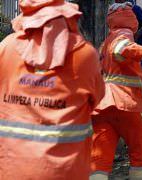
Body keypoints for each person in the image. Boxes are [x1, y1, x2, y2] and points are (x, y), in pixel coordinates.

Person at [0, 0, 105, 179]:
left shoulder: (6, 49)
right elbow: (97, 99)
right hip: (67, 171)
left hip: (12, 170)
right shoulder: (84, 55)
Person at [90, 3, 142, 180]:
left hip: (102, 107)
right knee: (139, 148)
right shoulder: (124, 34)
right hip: (126, 104)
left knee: (100, 154)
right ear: (132, 20)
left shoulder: (104, 43)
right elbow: (121, 48)